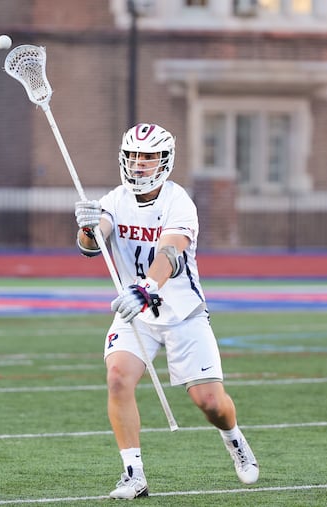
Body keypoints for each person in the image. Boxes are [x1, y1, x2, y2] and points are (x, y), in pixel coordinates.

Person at [74, 123, 259, 499]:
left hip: (181, 313)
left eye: (147, 157)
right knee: (117, 378)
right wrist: (88, 228)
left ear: (165, 160)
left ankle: (234, 438)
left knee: (211, 404)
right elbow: (92, 246)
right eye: (133, 156)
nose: (138, 164)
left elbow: (170, 254)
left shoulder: (179, 202)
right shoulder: (115, 199)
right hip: (136, 314)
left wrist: (146, 288)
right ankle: (133, 475)